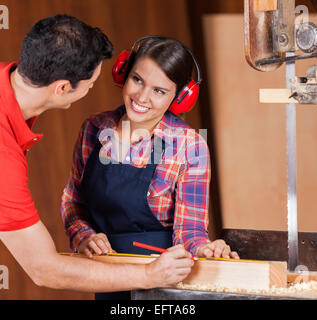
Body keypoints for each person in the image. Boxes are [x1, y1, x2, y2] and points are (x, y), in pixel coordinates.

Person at [0, 15, 193, 300]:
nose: (93, 88)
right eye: (90, 83)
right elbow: (44, 269)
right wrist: (148, 275)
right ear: (62, 88)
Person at [61, 36, 239, 300]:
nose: (142, 97)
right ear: (123, 73)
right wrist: (83, 236)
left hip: (164, 287)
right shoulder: (94, 130)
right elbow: (73, 203)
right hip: (106, 278)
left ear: (180, 97)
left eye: (159, 91)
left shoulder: (189, 146)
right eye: (137, 80)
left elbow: (189, 231)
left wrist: (205, 250)